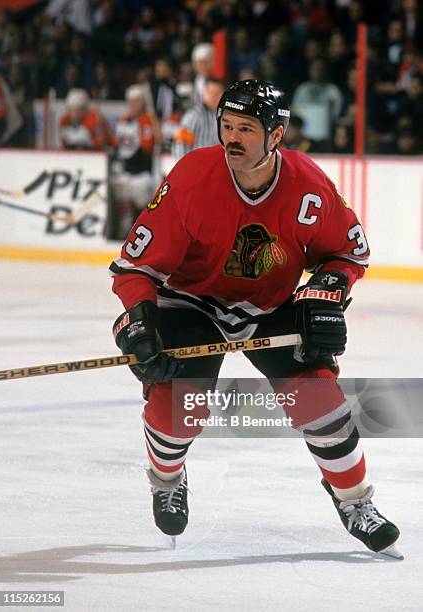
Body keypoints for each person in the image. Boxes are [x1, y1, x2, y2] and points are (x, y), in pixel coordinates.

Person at [109, 80, 401, 557]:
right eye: (227, 126)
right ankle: (166, 478)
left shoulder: (309, 185)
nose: (232, 139)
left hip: (271, 304)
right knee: (178, 402)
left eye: (246, 128)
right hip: (191, 301)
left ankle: (355, 502)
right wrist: (140, 319)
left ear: (276, 135)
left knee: (320, 399)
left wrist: (325, 292)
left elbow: (349, 253)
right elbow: (135, 266)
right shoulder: (191, 178)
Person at [110, 84, 161, 238]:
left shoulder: (147, 121)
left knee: (143, 201)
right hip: (125, 170)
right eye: (131, 101)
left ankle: (141, 232)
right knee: (120, 193)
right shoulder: (122, 120)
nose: (133, 105)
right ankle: (124, 229)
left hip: (143, 172)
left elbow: (147, 147)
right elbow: (116, 144)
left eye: (137, 101)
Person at [173, 77, 224, 161]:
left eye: (217, 93)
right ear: (205, 93)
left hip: (217, 167)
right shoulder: (194, 115)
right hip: (197, 166)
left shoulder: (226, 117)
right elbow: (181, 143)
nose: (214, 96)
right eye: (211, 92)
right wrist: (184, 167)